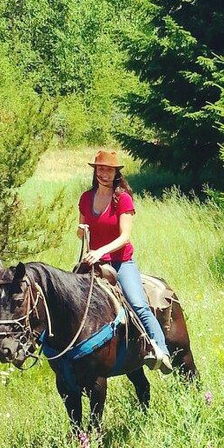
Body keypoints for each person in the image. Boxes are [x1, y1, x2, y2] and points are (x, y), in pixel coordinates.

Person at [77, 149, 173, 373]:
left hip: (120, 263)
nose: (104, 174)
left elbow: (124, 237)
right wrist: (81, 231)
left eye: (109, 170)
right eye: (101, 169)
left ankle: (160, 350)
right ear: (95, 171)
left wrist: (100, 251)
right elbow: (81, 231)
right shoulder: (85, 197)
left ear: (116, 173)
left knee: (138, 304)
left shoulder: (123, 199)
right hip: (94, 265)